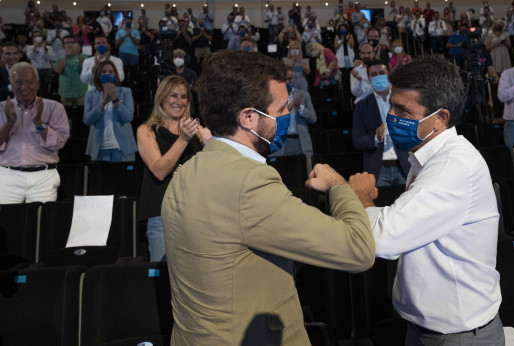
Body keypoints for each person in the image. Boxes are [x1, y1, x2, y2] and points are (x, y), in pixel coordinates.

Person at [162, 50, 375, 344]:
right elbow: (357, 249)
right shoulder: (249, 183)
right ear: (249, 117)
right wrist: (343, 188)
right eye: (280, 109)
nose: (288, 115)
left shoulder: (187, 170)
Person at [349, 54, 504, 345]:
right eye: (391, 106)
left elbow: (383, 238)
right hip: (429, 329)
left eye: (403, 110)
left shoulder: (452, 166)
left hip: (457, 336)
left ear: (440, 118)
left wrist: (359, 197)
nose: (391, 118)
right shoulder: (426, 155)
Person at [137, 75, 210, 262]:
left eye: (184, 97)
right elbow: (159, 171)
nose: (179, 102)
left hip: (194, 215)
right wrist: (183, 139)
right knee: (163, 281)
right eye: (174, 96)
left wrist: (208, 140)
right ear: (162, 98)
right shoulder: (146, 130)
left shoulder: (196, 131)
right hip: (162, 217)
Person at [0, 62, 70, 204]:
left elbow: (57, 143)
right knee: (6, 223)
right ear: (10, 83)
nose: (23, 87)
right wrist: (9, 124)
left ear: (37, 83)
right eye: (18, 82)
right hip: (7, 175)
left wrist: (38, 122)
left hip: (44, 175)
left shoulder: (54, 107)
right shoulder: (1, 108)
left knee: (40, 222)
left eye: (29, 82)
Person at [352, 59, 410, 186]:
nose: (378, 76)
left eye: (382, 72)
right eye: (374, 74)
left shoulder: (402, 101)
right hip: (378, 170)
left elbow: (417, 128)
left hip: (404, 166)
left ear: (388, 74)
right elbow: (357, 140)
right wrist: (376, 137)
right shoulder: (362, 106)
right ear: (368, 77)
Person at [83, 60, 136, 162]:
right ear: (98, 75)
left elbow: (129, 117)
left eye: (111, 71)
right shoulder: (90, 94)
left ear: (115, 75)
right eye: (104, 71)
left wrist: (115, 99)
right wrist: (102, 103)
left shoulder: (125, 92)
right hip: (99, 149)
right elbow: (87, 120)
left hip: (123, 149)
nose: (107, 74)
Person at [271, 67, 317, 160]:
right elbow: (271, 121)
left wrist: (300, 107)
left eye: (290, 78)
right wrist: (287, 108)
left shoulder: (303, 95)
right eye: (286, 79)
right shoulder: (273, 97)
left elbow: (313, 119)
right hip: (282, 145)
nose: (289, 82)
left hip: (301, 143)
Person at [54, 37, 87, 107]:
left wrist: (78, 54)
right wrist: (66, 57)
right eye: (67, 43)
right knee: (67, 115)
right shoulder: (60, 58)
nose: (70, 45)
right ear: (63, 46)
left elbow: (86, 68)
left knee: (81, 114)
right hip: (66, 92)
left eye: (72, 43)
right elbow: (57, 70)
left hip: (81, 92)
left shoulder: (83, 56)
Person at [26, 30, 53, 97]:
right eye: (35, 36)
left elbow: (49, 58)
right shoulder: (29, 47)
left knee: (46, 88)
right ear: (32, 38)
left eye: (39, 36)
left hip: (46, 69)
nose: (37, 37)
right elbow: (30, 56)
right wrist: (35, 47)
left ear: (42, 37)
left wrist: (45, 48)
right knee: (37, 87)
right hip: (35, 69)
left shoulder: (48, 47)